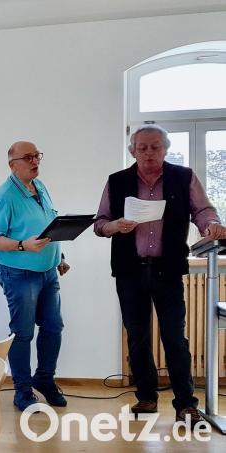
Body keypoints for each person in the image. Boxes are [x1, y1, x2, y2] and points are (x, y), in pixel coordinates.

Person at [95, 124, 226, 424]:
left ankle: (186, 404)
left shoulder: (183, 177)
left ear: (166, 149)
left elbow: (203, 211)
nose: (149, 152)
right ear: (132, 151)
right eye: (142, 147)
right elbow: (100, 222)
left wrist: (212, 224)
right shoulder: (117, 181)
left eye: (155, 147)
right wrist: (115, 226)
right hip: (130, 269)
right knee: (138, 337)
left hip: (167, 269)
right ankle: (146, 397)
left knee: (174, 337)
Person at [0, 141, 70, 411]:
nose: (35, 161)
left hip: (48, 271)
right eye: (28, 158)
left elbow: (49, 224)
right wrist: (22, 245)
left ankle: (44, 379)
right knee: (22, 333)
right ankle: (22, 390)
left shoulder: (40, 187)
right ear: (13, 164)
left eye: (37, 156)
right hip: (19, 274)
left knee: (54, 328)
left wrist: (60, 256)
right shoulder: (4, 196)